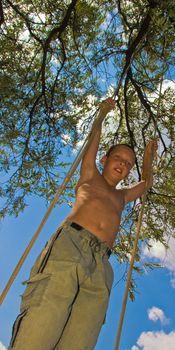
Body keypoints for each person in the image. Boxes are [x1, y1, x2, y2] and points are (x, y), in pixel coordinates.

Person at [9, 98, 154, 350]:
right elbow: (92, 143)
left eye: (129, 164)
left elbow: (146, 185)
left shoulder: (122, 196)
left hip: (101, 262)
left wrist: (148, 159)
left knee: (83, 334)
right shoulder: (90, 176)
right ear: (104, 159)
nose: (123, 164)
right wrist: (102, 114)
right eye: (118, 157)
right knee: (46, 314)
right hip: (72, 244)